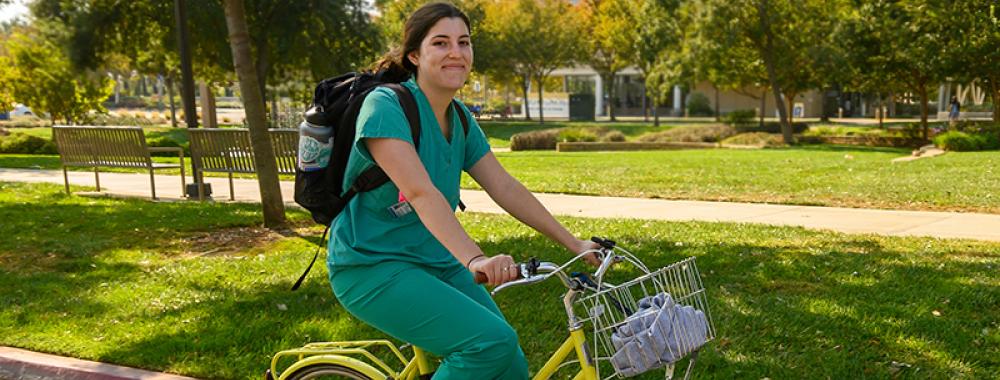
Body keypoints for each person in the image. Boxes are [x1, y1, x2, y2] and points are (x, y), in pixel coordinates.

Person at [326, 3, 600, 379]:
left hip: (434, 260)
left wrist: (574, 243)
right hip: (372, 266)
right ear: (414, 56)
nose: (456, 52)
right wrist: (475, 260)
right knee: (487, 345)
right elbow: (421, 193)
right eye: (440, 43)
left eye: (464, 42)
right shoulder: (385, 107)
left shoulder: (459, 118)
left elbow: (504, 186)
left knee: (508, 358)